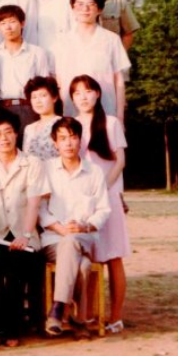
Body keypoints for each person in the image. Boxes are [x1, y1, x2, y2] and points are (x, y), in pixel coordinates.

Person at [0, 109, 48, 346]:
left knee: (16, 267)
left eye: (8, 132)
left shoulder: (32, 163)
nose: (4, 138)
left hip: (24, 236)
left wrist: (25, 235)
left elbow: (34, 202)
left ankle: (12, 330)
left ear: (17, 133)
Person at [40, 117, 111, 337]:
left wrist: (84, 226)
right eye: (62, 138)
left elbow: (103, 210)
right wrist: (61, 229)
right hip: (53, 239)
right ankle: (79, 321)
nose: (68, 143)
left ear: (81, 140)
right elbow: (40, 209)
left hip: (83, 238)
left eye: (73, 137)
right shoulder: (46, 170)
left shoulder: (94, 172)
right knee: (83, 266)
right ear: (55, 143)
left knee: (73, 243)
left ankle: (58, 309)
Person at [71, 75, 129, 333]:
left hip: (108, 196)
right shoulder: (72, 125)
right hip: (83, 201)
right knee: (90, 258)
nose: (83, 97)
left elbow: (120, 161)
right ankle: (90, 314)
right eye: (77, 93)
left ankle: (115, 316)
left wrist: (103, 189)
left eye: (88, 91)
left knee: (114, 257)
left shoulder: (111, 123)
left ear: (97, 94)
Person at [54, 0, 131, 121]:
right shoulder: (61, 41)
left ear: (99, 9)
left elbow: (119, 81)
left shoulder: (111, 40)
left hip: (106, 110)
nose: (85, 9)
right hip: (71, 113)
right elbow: (58, 79)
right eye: (80, 4)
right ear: (72, 7)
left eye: (91, 4)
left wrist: (120, 116)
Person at [0, 5, 51, 131]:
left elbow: (45, 88)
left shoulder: (37, 53)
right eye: (3, 23)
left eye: (12, 22)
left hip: (30, 108)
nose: (8, 27)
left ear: (22, 23)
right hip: (2, 109)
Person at [21, 76, 63, 162]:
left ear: (54, 97)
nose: (38, 101)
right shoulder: (29, 129)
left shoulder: (62, 124)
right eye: (34, 97)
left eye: (43, 96)